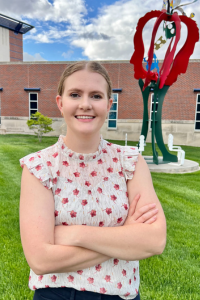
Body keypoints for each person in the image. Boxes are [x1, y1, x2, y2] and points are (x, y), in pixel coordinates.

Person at [20, 61, 166, 300]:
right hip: (58, 295)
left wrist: (73, 234)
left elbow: (154, 241)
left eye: (96, 96)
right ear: (61, 103)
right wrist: (126, 235)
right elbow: (40, 259)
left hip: (121, 295)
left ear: (109, 104)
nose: (85, 104)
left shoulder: (129, 163)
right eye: (75, 94)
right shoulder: (40, 167)